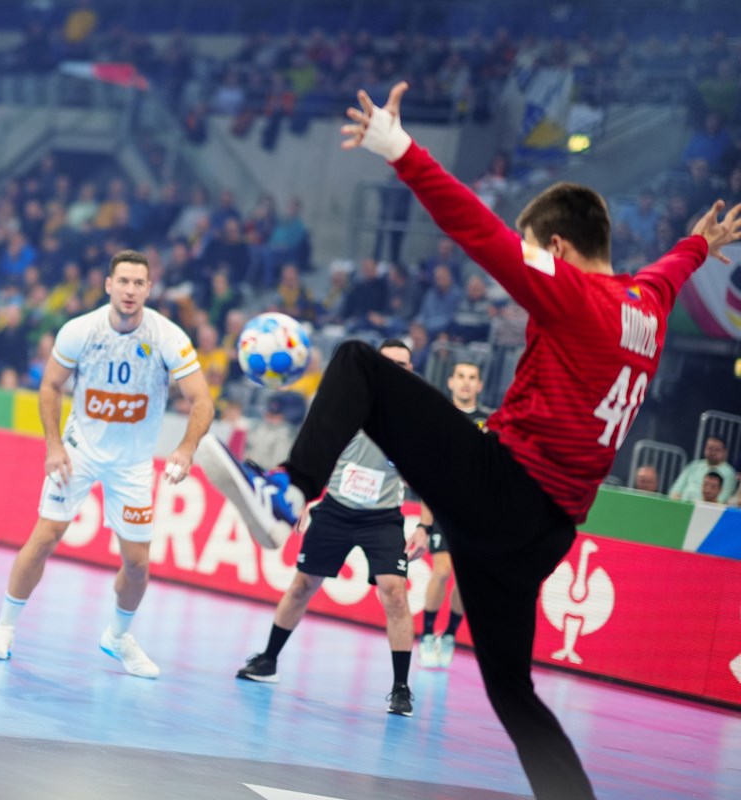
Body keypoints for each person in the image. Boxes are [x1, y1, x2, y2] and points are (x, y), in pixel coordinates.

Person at [200, 82, 741, 800]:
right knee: (512, 691)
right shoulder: (648, 304)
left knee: (359, 362)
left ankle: (289, 496)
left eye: (534, 249)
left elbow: (476, 230)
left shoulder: (572, 294)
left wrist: (398, 147)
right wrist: (700, 244)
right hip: (548, 532)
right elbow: (670, 271)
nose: (528, 258)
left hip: (503, 488)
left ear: (556, 248)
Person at [0, 250, 213, 678]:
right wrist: (54, 446)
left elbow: (202, 400)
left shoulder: (168, 337)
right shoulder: (80, 330)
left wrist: (185, 449)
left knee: (137, 565)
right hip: (80, 450)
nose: (130, 290)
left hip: (133, 463)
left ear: (149, 289)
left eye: (138, 283)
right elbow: (50, 386)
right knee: (45, 535)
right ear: (108, 285)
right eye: (123, 281)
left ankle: (118, 637)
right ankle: (4, 628)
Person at [228, 340, 427, 718]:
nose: (395, 370)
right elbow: (318, 453)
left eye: (402, 365)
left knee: (395, 594)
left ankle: (401, 688)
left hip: (382, 517)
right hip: (335, 509)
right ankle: (268, 660)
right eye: (388, 363)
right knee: (302, 586)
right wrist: (304, 496)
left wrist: (424, 527)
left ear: (411, 370)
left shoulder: (417, 417)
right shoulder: (348, 405)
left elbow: (429, 477)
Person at [417, 360, 495, 669]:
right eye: (460, 376)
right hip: (442, 508)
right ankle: (426, 635)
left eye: (472, 377)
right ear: (450, 382)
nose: (465, 382)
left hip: (475, 514)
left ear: (480, 385)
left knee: (466, 579)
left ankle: (448, 635)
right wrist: (424, 523)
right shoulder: (437, 417)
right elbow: (426, 474)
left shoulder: (490, 424)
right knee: (442, 571)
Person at [668, 436, 737, 502]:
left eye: (717, 450)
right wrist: (675, 496)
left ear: (725, 452)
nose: (713, 452)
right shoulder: (694, 465)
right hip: (683, 503)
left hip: (707, 507)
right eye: (710, 448)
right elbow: (677, 488)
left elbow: (723, 498)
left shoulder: (729, 473)